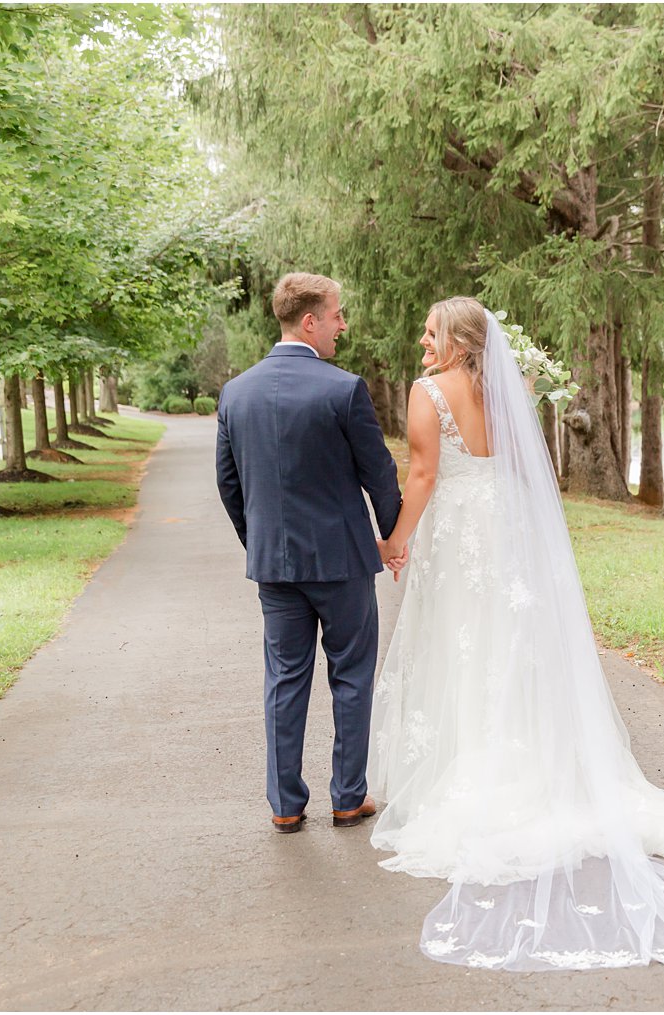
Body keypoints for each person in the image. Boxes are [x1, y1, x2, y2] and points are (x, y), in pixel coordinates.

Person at [368, 296, 664, 970]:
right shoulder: (510, 390)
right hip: (505, 534)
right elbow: (521, 470)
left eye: (430, 331)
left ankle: (473, 772)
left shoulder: (428, 393)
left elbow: (421, 473)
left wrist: (395, 540)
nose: (422, 341)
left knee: (459, 648)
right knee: (509, 647)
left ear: (457, 338)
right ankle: (537, 765)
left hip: (458, 534)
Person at [215, 272, 404, 834]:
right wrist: (392, 539)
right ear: (310, 321)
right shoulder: (342, 389)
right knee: (351, 675)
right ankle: (348, 797)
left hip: (276, 566)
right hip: (342, 563)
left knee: (284, 678)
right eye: (337, 314)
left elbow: (230, 485)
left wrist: (262, 546)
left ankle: (285, 804)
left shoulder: (236, 392)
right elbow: (380, 474)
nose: (343, 325)